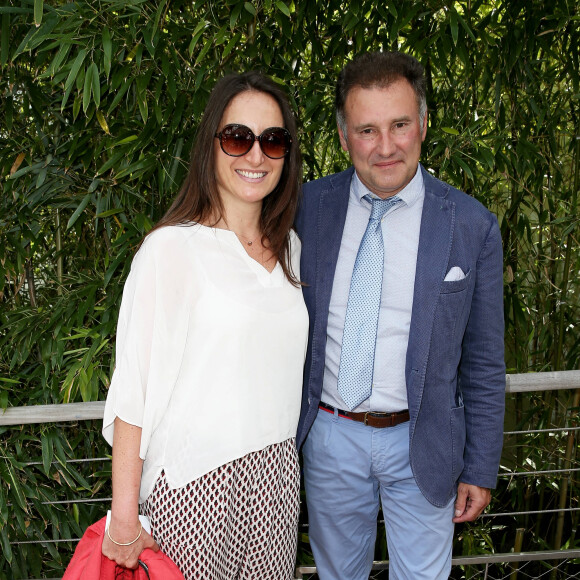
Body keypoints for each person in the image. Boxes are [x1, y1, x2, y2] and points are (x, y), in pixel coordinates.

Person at [295, 51, 505, 579]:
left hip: (425, 442)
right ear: (344, 137)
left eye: (400, 125)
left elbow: (483, 360)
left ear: (424, 124)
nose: (385, 147)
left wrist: (480, 466)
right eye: (367, 130)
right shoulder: (303, 209)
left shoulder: (470, 224)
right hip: (329, 436)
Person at [101, 71, 308, 580]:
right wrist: (125, 519)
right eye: (238, 138)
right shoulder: (171, 249)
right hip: (195, 489)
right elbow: (134, 390)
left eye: (272, 141)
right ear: (211, 145)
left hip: (277, 484)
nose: (255, 156)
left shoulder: (291, 251)